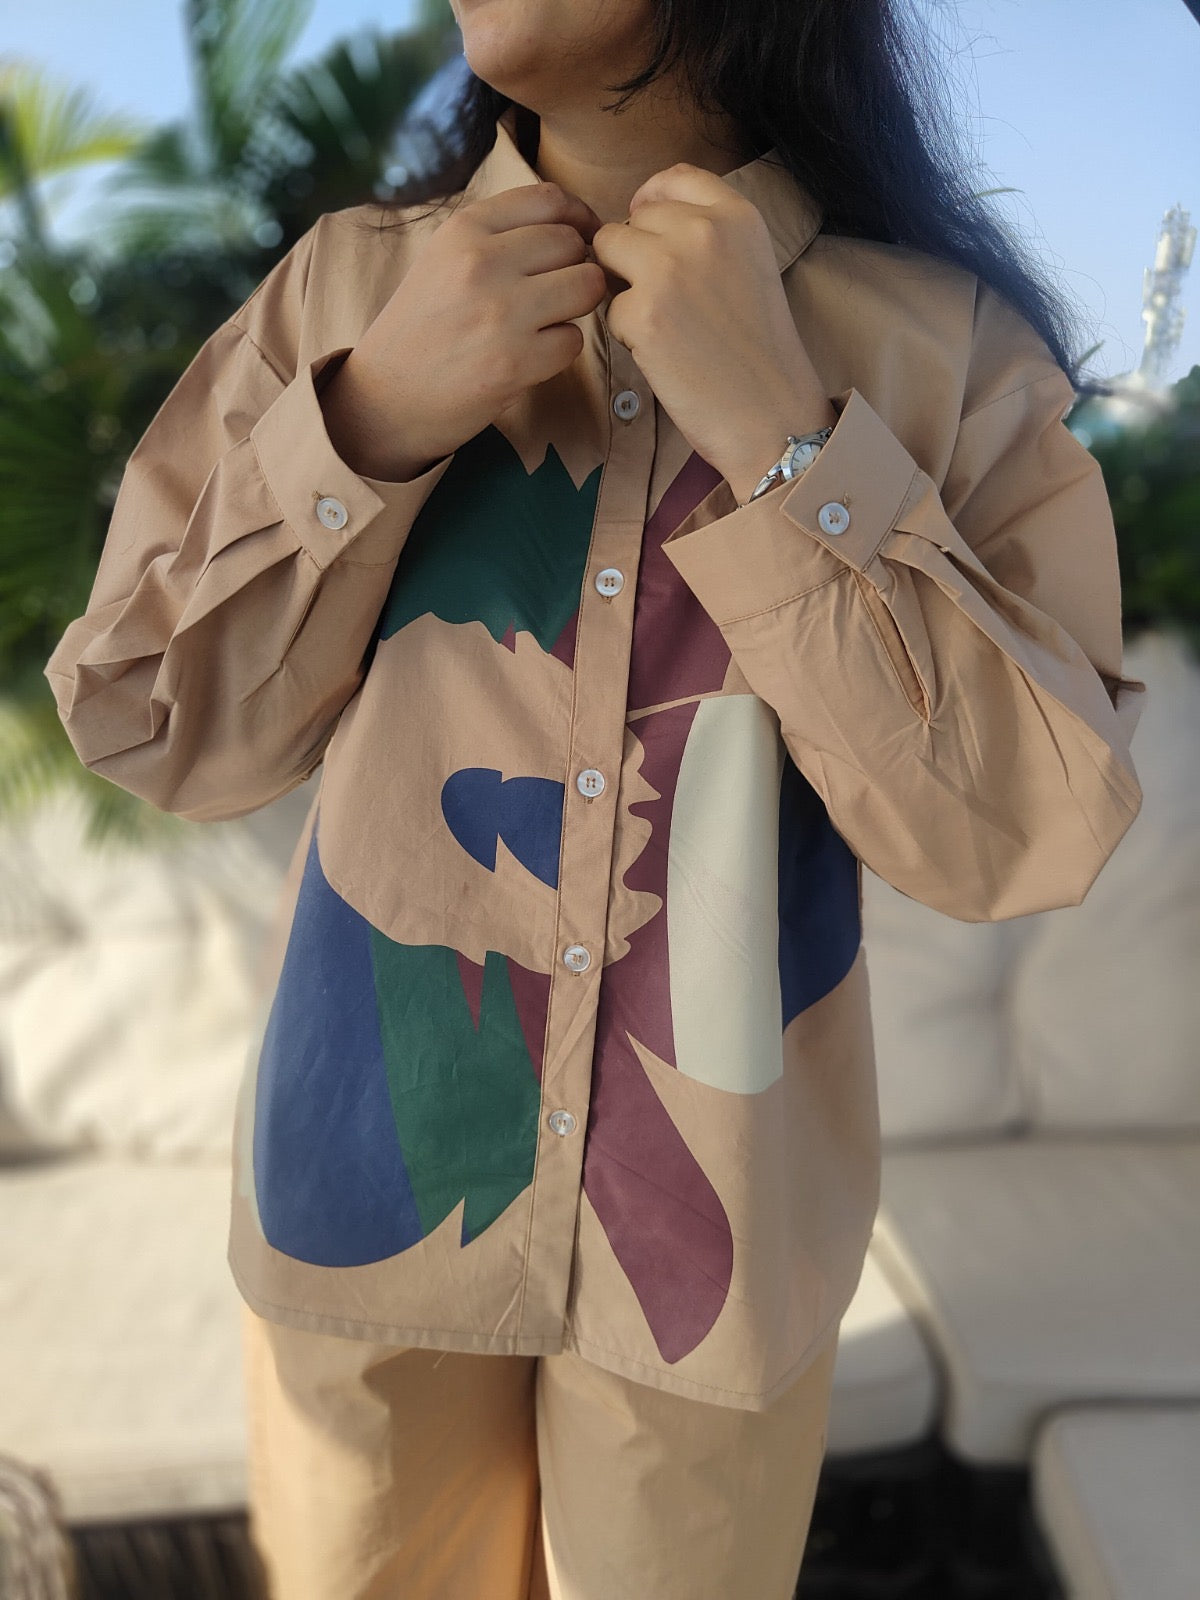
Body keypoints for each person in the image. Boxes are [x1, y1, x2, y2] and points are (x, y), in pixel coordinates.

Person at [44, 0, 1148, 1595]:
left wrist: (789, 444)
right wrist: (366, 424)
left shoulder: (944, 348)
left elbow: (1019, 834)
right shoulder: (347, 293)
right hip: (362, 1203)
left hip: (713, 1257)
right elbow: (155, 723)